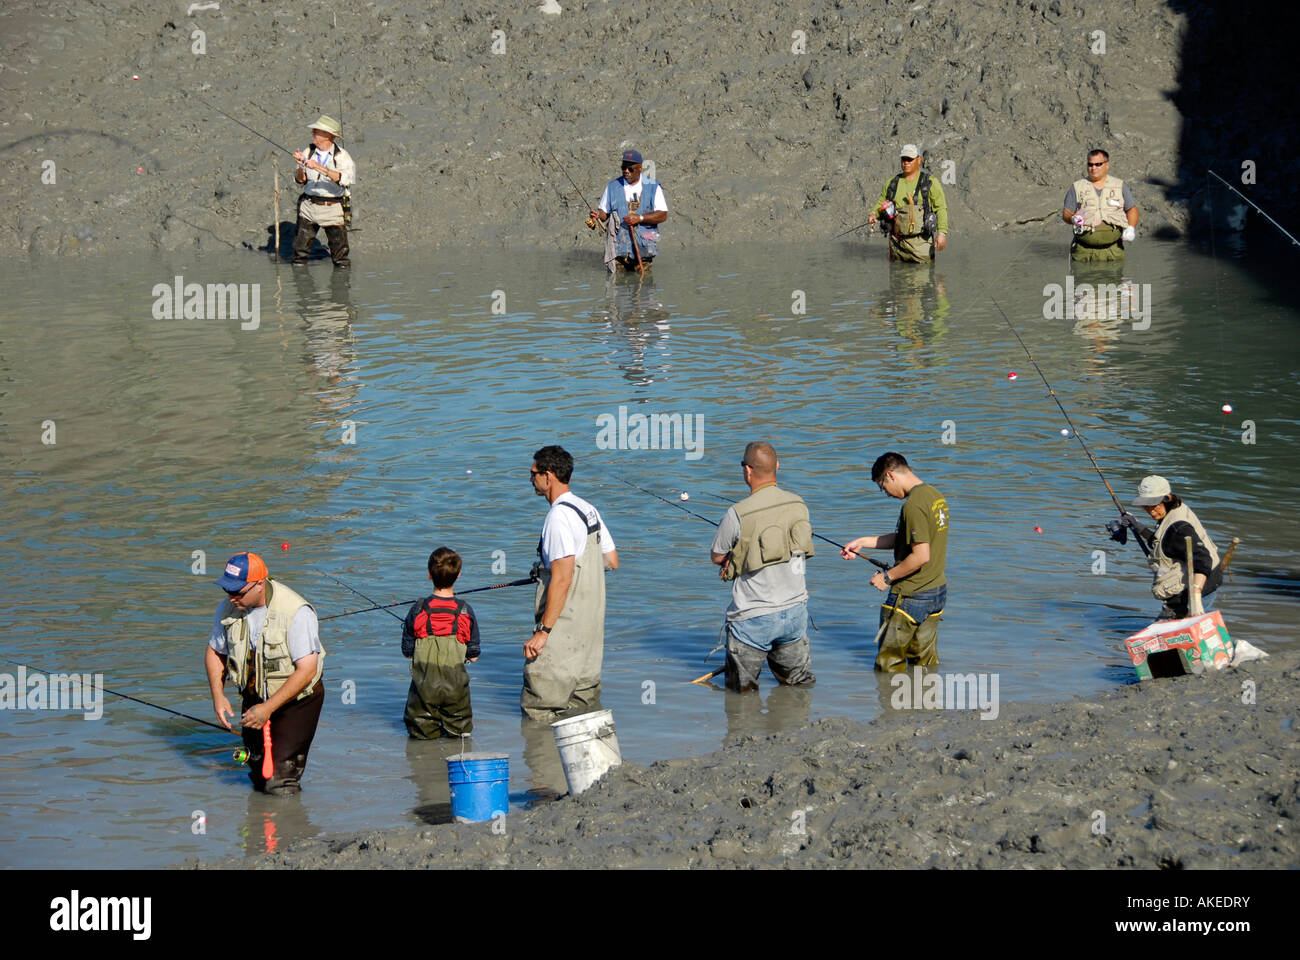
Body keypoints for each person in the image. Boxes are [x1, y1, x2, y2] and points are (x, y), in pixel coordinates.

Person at [204, 552, 325, 794]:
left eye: (237, 591)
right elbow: (215, 651)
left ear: (260, 584)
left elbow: (307, 669)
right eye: (227, 590)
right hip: (254, 696)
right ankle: (259, 827)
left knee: (280, 781)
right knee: (257, 773)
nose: (231, 597)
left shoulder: (296, 612)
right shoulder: (228, 608)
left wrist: (268, 708)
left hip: (298, 700)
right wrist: (218, 696)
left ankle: (288, 828)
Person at [709, 441, 817, 692]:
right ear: (777, 466)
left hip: (752, 619)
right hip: (795, 613)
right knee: (798, 688)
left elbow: (717, 557)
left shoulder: (737, 513)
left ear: (747, 470)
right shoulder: (799, 504)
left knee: (741, 696)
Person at [523, 445, 619, 721]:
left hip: (563, 629)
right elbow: (611, 560)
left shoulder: (558, 517)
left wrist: (543, 632)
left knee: (541, 709)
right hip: (591, 631)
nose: (531, 479)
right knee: (584, 711)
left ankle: (543, 762)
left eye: (534, 473)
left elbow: (563, 578)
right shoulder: (588, 509)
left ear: (549, 475)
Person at [840, 452, 949, 672]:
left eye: (882, 487)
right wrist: (863, 541)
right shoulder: (934, 496)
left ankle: (891, 707)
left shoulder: (913, 506)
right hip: (936, 593)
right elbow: (906, 540)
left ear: (890, 476)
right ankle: (926, 706)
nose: (886, 494)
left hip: (910, 598)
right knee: (925, 665)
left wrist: (887, 578)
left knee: (888, 669)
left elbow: (920, 556)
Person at [401, 547, 482, 739]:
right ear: (459, 575)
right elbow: (474, 655)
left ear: (429, 575)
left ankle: (424, 765)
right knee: (460, 735)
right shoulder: (464, 610)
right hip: (456, 687)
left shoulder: (418, 609)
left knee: (420, 733)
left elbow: (407, 651)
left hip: (424, 687)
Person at [1118, 476, 1222, 620]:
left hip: (1199, 589)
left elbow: (1203, 560)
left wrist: (1195, 597)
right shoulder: (1174, 510)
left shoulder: (1179, 528)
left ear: (1167, 499)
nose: (1151, 511)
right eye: (1146, 506)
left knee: (1182, 634)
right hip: (1190, 585)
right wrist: (1137, 525)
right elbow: (1163, 543)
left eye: (1155, 505)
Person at [867, 144, 949, 263]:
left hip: (921, 245)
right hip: (896, 245)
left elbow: (941, 208)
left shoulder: (930, 182)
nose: (906, 162)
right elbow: (882, 202)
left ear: (919, 160)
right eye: (903, 159)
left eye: (910, 159)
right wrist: (874, 214)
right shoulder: (892, 183)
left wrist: (942, 233)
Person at [291, 115, 355, 268]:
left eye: (316, 131)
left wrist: (319, 167)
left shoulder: (342, 157)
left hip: (332, 208)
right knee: (299, 254)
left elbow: (345, 179)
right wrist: (301, 166)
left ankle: (341, 288)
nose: (312, 132)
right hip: (308, 206)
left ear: (328, 135)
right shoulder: (308, 152)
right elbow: (300, 180)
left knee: (341, 258)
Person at [589, 149, 668, 272]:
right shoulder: (612, 187)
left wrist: (640, 218)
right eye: (623, 168)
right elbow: (604, 214)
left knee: (645, 287)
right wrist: (598, 214)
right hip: (619, 251)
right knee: (618, 287)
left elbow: (663, 215)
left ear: (640, 168)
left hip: (644, 251)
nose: (626, 171)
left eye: (630, 168)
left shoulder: (653, 186)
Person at [1062, 148, 1138, 262]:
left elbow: (1131, 209)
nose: (1093, 168)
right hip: (1083, 253)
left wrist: (1131, 228)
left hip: (1114, 252)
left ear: (1107, 165)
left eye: (1098, 164)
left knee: (1115, 278)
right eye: (1090, 164)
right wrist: (1073, 219)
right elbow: (1066, 214)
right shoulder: (1076, 187)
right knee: (1082, 279)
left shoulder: (1120, 185)